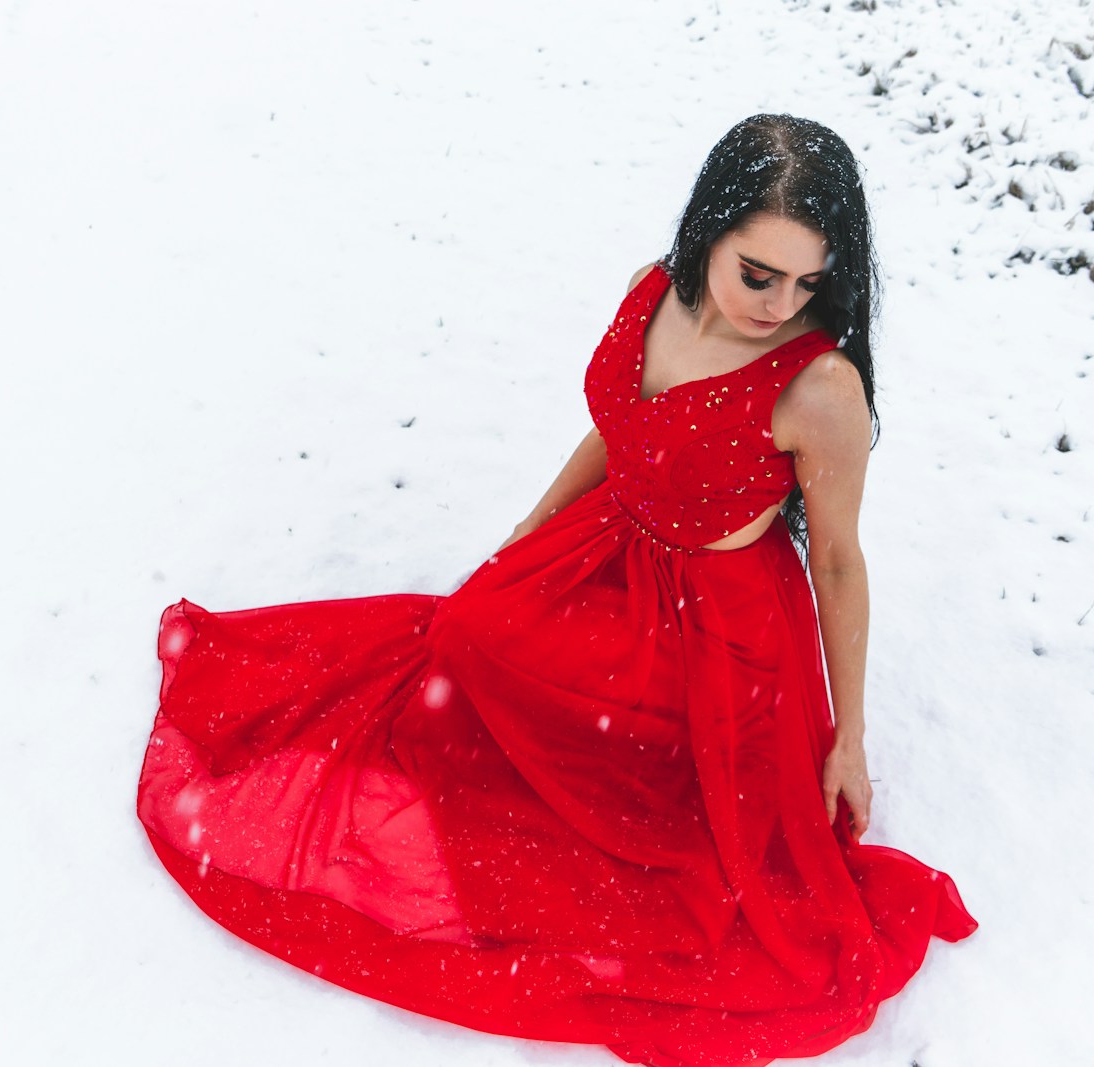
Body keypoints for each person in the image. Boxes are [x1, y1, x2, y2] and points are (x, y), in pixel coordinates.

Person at [136, 113, 977, 1067]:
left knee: (657, 827)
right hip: (612, 544)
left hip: (720, 624)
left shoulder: (818, 389)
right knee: (464, 639)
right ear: (709, 232)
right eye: (758, 273)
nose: (782, 303)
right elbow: (623, 434)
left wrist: (850, 739)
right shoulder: (649, 293)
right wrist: (528, 534)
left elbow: (836, 562)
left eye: (809, 283)